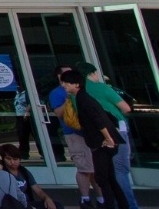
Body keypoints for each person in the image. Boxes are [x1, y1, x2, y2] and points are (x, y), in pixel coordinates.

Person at [60, 67, 129, 209]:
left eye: (67, 83)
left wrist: (108, 138)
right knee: (109, 178)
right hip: (101, 141)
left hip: (102, 143)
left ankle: (111, 205)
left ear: (76, 84)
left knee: (102, 178)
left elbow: (98, 120)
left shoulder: (83, 99)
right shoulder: (81, 97)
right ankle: (123, 205)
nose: (64, 85)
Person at [77, 64, 135, 208]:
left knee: (107, 172)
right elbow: (126, 108)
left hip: (94, 136)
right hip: (114, 130)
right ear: (93, 73)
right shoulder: (102, 88)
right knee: (120, 170)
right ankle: (129, 205)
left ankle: (113, 204)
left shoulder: (77, 93)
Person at [48, 69, 97, 209]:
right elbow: (58, 113)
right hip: (73, 133)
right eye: (64, 75)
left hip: (91, 133)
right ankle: (85, 199)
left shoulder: (84, 90)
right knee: (84, 168)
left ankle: (101, 198)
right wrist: (69, 98)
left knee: (96, 168)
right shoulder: (57, 93)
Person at [0, 145, 57, 209]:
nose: (12, 162)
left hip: (28, 203)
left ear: (19, 159)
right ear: (3, 159)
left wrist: (47, 199)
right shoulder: (2, 174)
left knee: (57, 205)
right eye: (8, 159)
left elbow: (38, 190)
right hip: (13, 204)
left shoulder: (24, 171)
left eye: (15, 159)